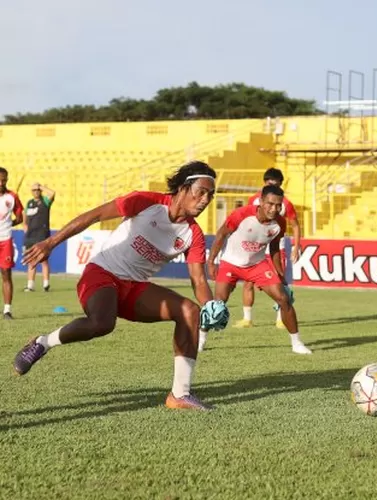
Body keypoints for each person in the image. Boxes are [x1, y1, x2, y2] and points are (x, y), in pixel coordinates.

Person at [13, 161, 229, 411]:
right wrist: (50, 243)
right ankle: (42, 343)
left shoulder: (194, 234)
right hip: (101, 273)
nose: (205, 200)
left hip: (135, 287)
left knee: (190, 312)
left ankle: (179, 394)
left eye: (211, 195)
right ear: (183, 188)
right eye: (201, 191)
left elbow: (198, 279)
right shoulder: (146, 201)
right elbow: (94, 215)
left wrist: (211, 305)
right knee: (102, 323)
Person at [202, 184, 311, 355]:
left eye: (278, 205)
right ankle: (201, 338)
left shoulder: (280, 223)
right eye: (270, 203)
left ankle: (296, 343)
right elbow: (221, 234)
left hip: (257, 264)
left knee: (284, 298)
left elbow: (274, 248)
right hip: (231, 263)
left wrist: (280, 275)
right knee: (217, 305)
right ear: (260, 201)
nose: (274, 209)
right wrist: (211, 262)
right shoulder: (241, 215)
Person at [236, 167, 301, 329]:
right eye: (269, 182)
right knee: (248, 282)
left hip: (276, 248)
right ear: (264, 183)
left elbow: (295, 225)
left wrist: (296, 246)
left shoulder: (286, 204)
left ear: (280, 184)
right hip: (255, 247)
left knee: (278, 281)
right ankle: (247, 319)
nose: (271, 184)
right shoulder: (254, 200)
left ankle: (280, 318)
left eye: (275, 183)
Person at [0, 167, 24, 319]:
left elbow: (20, 217)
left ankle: (7, 310)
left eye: (4, 180)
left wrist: (9, 224)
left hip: (6, 239)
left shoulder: (12, 197)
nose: (1, 182)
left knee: (6, 274)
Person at [23, 182, 56, 292]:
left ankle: (46, 284)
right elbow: (25, 216)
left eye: (38, 190)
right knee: (31, 260)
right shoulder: (29, 203)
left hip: (42, 235)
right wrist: (25, 226)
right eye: (34, 190)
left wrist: (41, 186)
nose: (36, 191)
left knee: (43, 260)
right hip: (31, 235)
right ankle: (30, 285)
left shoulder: (45, 201)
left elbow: (52, 193)